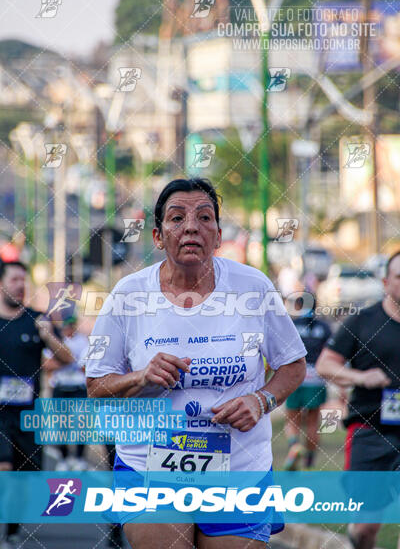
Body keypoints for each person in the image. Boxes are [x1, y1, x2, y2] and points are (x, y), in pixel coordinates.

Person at [86, 178, 307, 549]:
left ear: (218, 236)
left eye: (204, 218)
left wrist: (261, 400)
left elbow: (293, 366)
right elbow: (96, 386)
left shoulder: (252, 287)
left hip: (239, 467)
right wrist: (140, 376)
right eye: (177, 218)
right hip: (151, 466)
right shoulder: (128, 295)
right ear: (157, 236)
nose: (191, 227)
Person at [316, 251, 400, 549]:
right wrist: (361, 378)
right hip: (370, 430)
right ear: (386, 281)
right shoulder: (363, 321)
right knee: (366, 527)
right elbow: (325, 365)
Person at [0, 261, 72, 548]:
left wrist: (46, 335)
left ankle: (13, 528)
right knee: (4, 465)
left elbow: (68, 359)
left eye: (23, 280)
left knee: (27, 476)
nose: (20, 285)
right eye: (14, 279)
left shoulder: (37, 318)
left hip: (29, 414)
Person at [282, 296, 332, 470]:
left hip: (296, 377)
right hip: (317, 378)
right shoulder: (324, 327)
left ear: (298, 306)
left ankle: (294, 446)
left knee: (292, 419)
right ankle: (309, 460)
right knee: (312, 422)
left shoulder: (293, 325)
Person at [43, 313, 89, 470]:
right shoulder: (57, 341)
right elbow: (47, 364)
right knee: (61, 424)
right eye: (65, 326)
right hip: (61, 387)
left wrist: (63, 360)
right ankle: (63, 458)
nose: (68, 329)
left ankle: (79, 458)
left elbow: (86, 367)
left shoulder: (83, 341)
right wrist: (68, 360)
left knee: (81, 424)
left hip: (78, 388)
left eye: (70, 326)